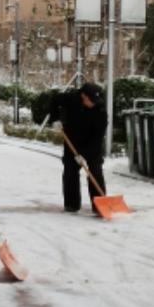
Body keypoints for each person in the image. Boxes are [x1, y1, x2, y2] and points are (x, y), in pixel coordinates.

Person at [49, 82, 108, 214]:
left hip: (92, 143)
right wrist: (55, 119)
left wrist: (84, 154)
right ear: (83, 96)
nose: (93, 103)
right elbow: (54, 99)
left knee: (95, 171)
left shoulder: (100, 110)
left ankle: (99, 205)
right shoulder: (71, 98)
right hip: (72, 140)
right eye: (91, 100)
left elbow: (98, 138)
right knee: (70, 171)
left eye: (95, 101)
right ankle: (71, 204)